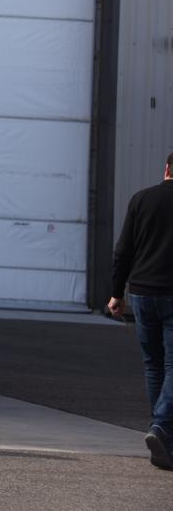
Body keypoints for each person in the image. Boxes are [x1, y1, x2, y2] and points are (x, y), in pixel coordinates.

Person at [108, 153, 173, 471]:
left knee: (153, 365)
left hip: (142, 292)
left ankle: (162, 435)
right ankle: (161, 426)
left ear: (166, 169)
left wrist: (115, 293)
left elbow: (123, 250)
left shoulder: (141, 199)